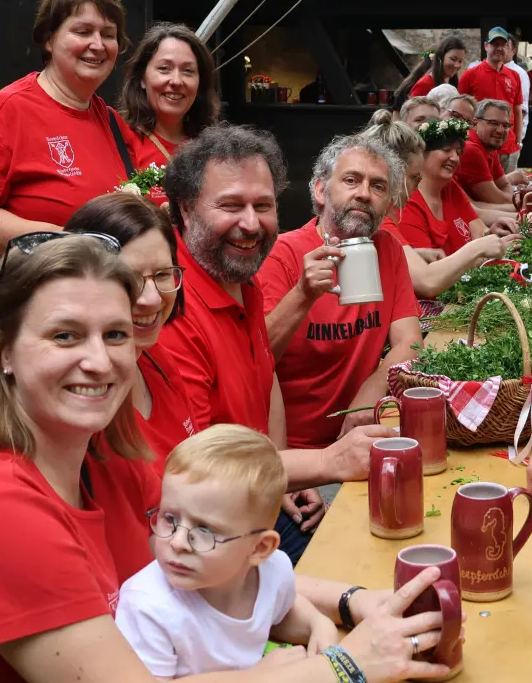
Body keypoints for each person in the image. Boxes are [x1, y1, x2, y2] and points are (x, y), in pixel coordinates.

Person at [0, 235, 462, 683]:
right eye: (65, 335)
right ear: (2, 350)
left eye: (115, 335)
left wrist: (355, 602)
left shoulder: (101, 456)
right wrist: (347, 666)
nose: (99, 359)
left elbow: (213, 558)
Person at [155, 125, 386, 563]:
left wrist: (281, 475)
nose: (250, 223)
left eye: (263, 205)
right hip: (206, 539)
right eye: (230, 205)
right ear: (185, 210)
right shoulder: (171, 309)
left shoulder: (241, 281)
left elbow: (267, 379)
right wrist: (326, 463)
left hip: (256, 501)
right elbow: (197, 471)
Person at [0, 0, 138, 334]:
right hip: (19, 318)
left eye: (109, 34)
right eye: (82, 30)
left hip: (88, 314)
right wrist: (62, 239)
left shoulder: (109, 121)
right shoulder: (6, 111)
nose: (98, 44)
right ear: (48, 39)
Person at [115, 426, 340, 675]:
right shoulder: (147, 606)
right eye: (170, 518)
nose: (177, 542)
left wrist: (317, 623)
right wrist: (262, 677)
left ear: (260, 549)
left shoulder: (272, 571)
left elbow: (283, 609)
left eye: (205, 529)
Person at [257, 134, 422, 451]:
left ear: (388, 203)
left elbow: (410, 341)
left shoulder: (388, 250)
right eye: (351, 180)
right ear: (320, 190)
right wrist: (302, 295)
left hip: (361, 438)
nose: (364, 194)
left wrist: (373, 388)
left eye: (378, 186)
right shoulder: (282, 255)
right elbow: (255, 363)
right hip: (293, 451)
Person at [64, 193, 194, 513]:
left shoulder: (156, 358)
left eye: (163, 275)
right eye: (130, 278)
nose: (151, 298)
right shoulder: (81, 398)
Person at [359, 110, 517, 297]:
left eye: (458, 152)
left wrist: (416, 254)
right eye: (413, 177)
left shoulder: (379, 220)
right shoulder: (380, 218)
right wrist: (479, 248)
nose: (455, 158)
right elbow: (427, 282)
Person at [398, 118, 505, 255]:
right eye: (446, 150)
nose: (455, 158)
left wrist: (494, 233)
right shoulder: (408, 202)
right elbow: (431, 268)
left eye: (458, 152)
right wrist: (483, 250)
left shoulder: (450, 187)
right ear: (422, 155)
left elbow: (479, 230)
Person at [120, 23, 220, 170]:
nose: (176, 81)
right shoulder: (121, 141)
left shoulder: (215, 148)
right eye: (164, 68)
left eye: (188, 71)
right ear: (142, 78)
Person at [457, 27, 524, 168]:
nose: (499, 48)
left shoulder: (514, 76)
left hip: (507, 147)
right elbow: (460, 111)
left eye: (503, 45)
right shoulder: (470, 75)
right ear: (486, 46)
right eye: (494, 44)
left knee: (510, 188)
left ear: (508, 47)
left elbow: (517, 109)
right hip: (479, 146)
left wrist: (518, 141)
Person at [455, 99, 526, 209]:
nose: (500, 130)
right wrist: (516, 201)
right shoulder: (471, 149)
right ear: (475, 123)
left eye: (505, 125)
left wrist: (512, 199)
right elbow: (498, 200)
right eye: (493, 123)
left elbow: (504, 185)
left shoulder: (490, 148)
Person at [403, 35, 468, 100]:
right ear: (440, 57)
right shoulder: (424, 84)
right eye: (453, 59)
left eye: (460, 61)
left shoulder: (452, 82)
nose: (456, 65)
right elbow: (412, 109)